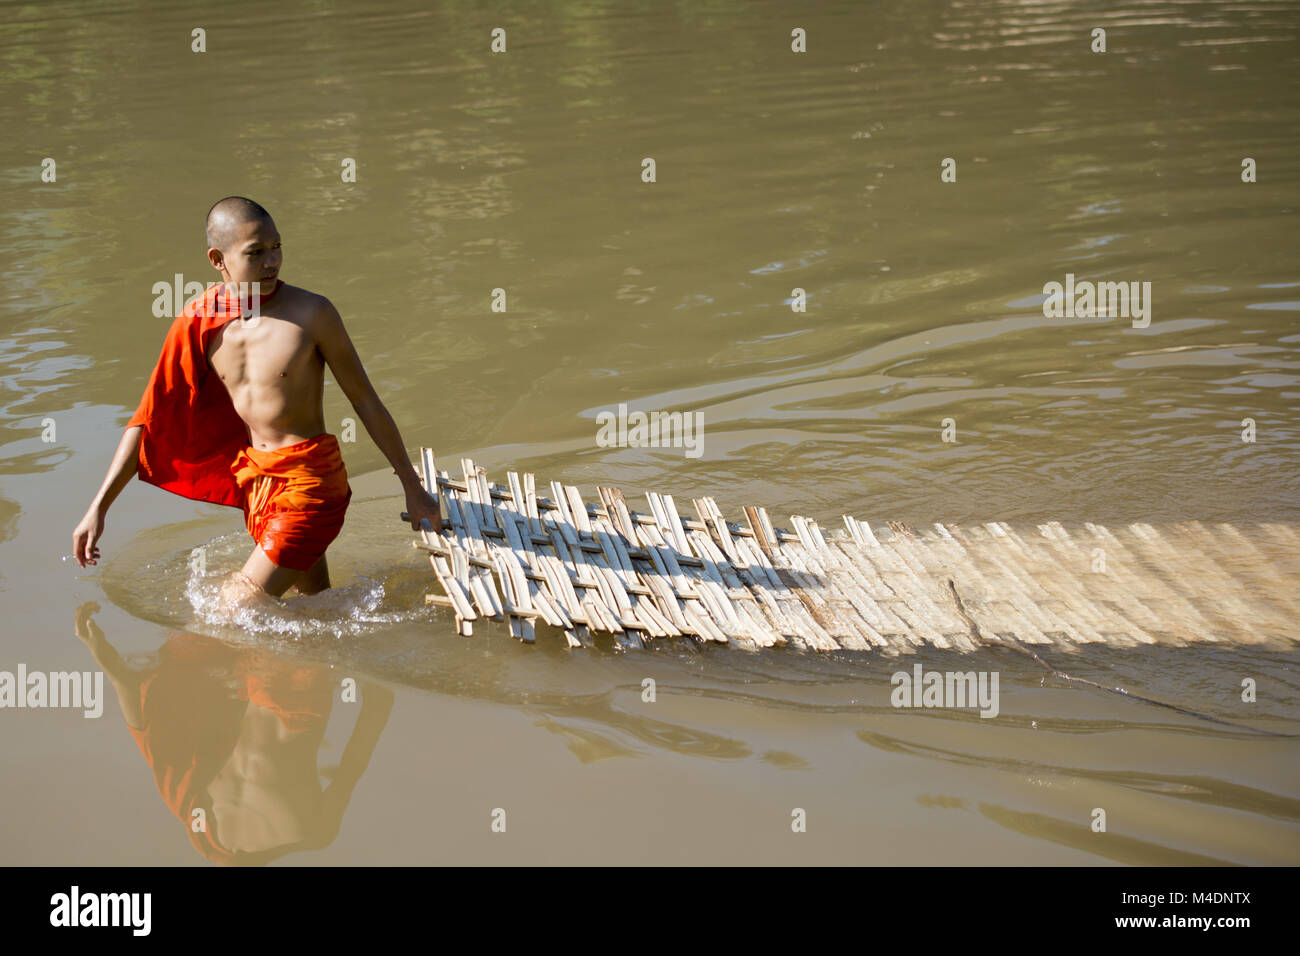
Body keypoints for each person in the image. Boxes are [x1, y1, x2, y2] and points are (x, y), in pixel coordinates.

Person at [72, 197, 442, 600]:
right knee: (314, 607)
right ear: (218, 259)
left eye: (277, 247)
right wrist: (98, 508)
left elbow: (365, 401)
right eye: (256, 252)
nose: (272, 262)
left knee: (233, 609)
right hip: (258, 485)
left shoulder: (312, 313)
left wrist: (412, 485)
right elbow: (148, 420)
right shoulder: (197, 321)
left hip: (311, 483)